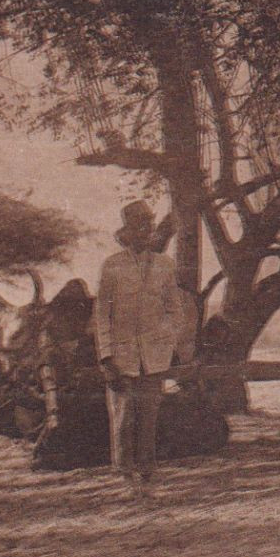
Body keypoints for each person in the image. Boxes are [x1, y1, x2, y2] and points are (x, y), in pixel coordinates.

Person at [95, 200, 184, 496]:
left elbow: (175, 310)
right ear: (128, 232)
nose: (144, 232)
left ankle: (148, 475)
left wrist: (165, 339)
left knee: (149, 416)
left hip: (154, 356)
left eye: (148, 225)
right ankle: (124, 476)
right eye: (138, 226)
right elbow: (102, 315)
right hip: (122, 356)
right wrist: (106, 356)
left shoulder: (165, 266)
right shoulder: (112, 266)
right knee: (122, 417)